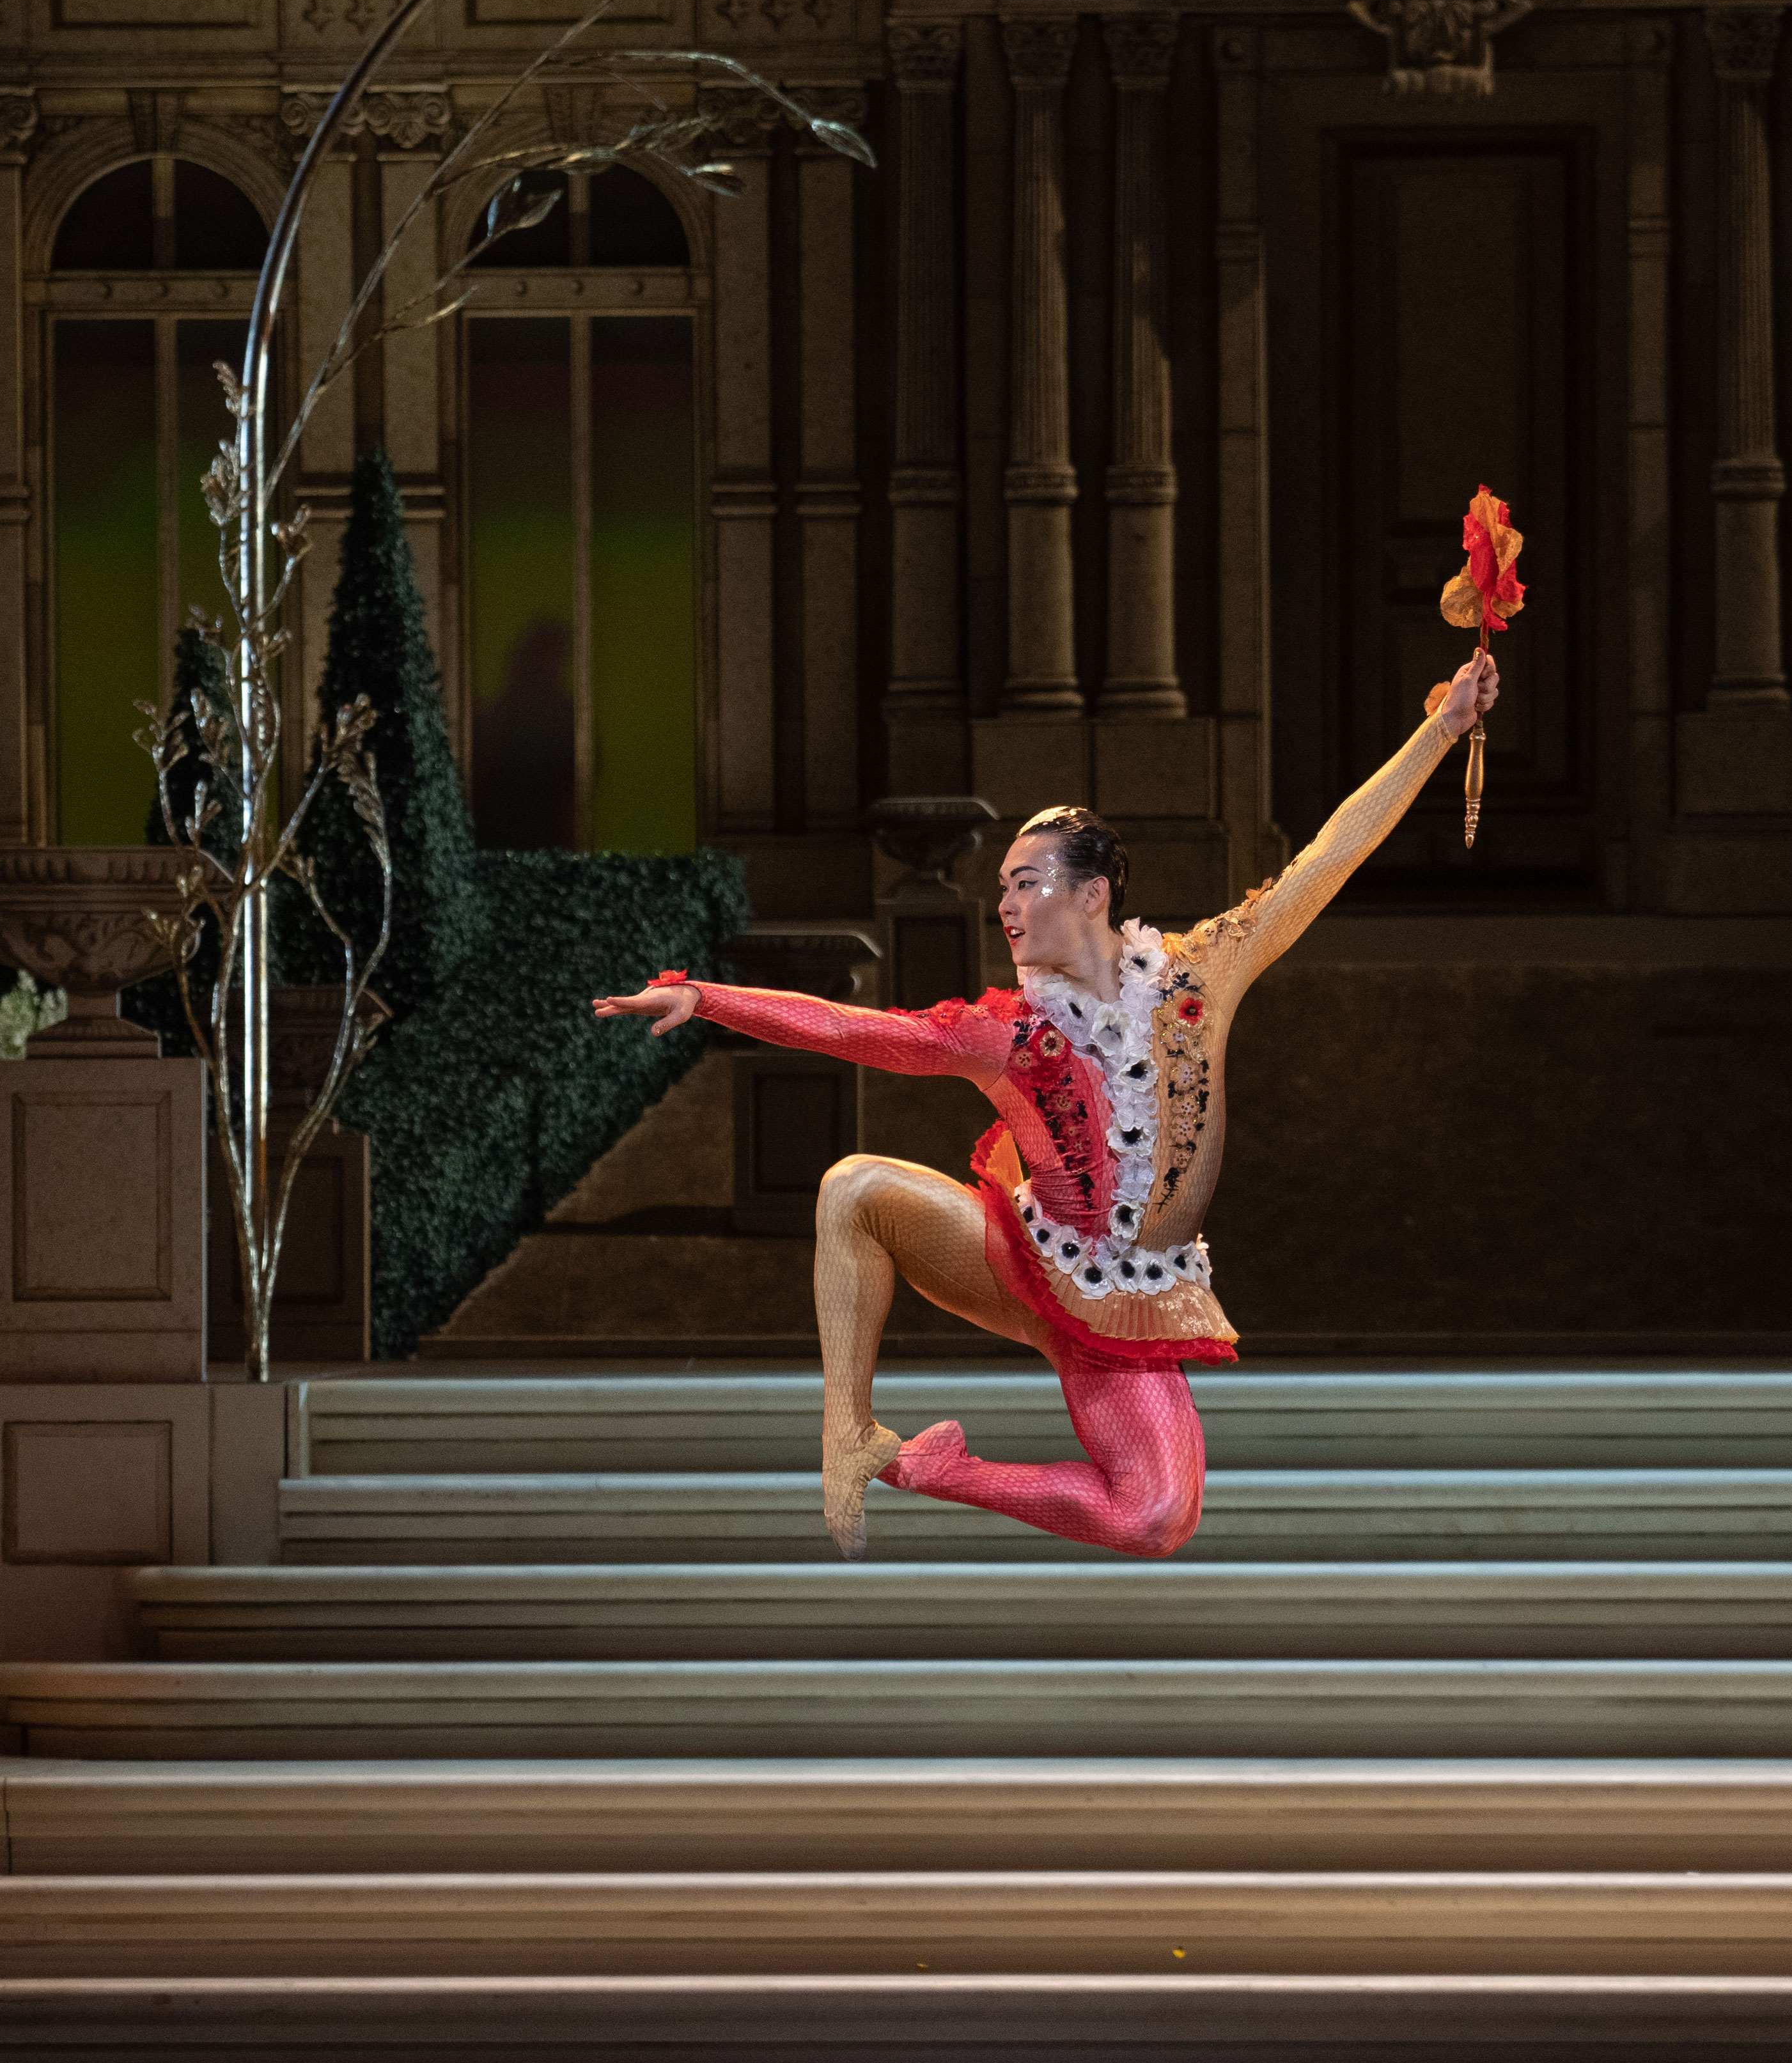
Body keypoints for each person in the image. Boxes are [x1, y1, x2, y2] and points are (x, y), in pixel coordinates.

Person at [592, 648, 1499, 1557]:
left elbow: (1328, 855)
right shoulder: (1007, 1031)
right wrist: (709, 997)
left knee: (1158, 1516)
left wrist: (1443, 726)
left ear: (1095, 893)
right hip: (1022, 1261)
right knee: (852, 1187)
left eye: (1028, 883)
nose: (1007, 905)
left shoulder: (1201, 973)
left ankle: (930, 1466)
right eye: (1002, 889)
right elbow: (856, 1028)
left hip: (1125, 1308)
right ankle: (847, 1434)